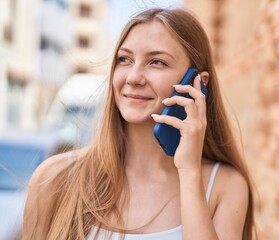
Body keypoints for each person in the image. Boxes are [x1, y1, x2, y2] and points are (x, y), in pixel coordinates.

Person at [23, 8, 256, 240]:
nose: (133, 77)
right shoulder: (55, 178)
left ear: (197, 84)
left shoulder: (225, 186)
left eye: (156, 62)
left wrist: (189, 172)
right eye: (124, 59)